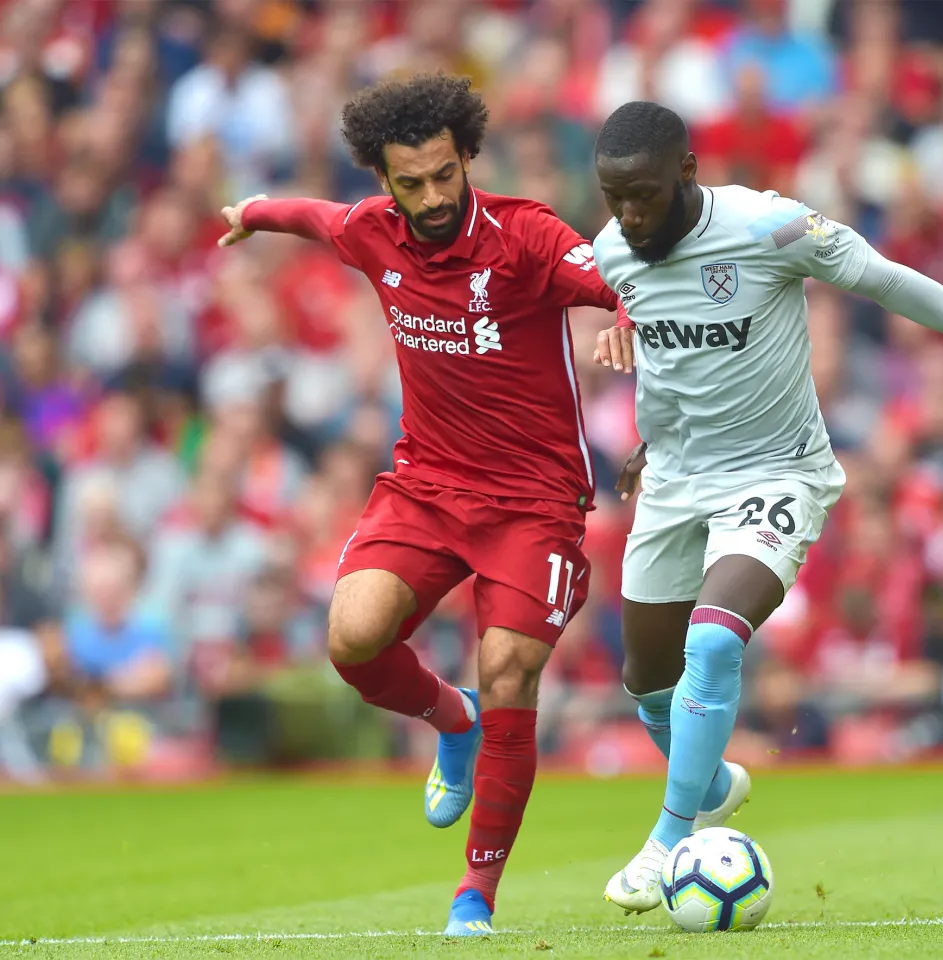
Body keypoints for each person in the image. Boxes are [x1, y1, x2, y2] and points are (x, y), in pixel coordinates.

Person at [589, 100, 943, 914]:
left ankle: (668, 839)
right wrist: (647, 439)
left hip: (777, 473)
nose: (630, 215)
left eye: (643, 194)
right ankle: (709, 780)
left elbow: (888, 281)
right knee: (647, 680)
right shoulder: (616, 249)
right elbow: (664, 353)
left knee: (712, 644)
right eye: (615, 198)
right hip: (676, 477)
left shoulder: (769, 229)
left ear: (686, 172)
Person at [217, 74, 619, 935]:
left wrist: (624, 313)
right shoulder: (372, 232)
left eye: (446, 174)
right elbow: (315, 217)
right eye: (413, 182)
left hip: (533, 502)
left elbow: (616, 275)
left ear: (466, 155)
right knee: (352, 640)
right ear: (384, 181)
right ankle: (453, 721)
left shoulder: (528, 237)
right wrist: (254, 212)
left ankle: (476, 892)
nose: (434, 196)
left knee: (509, 667)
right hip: (428, 486)